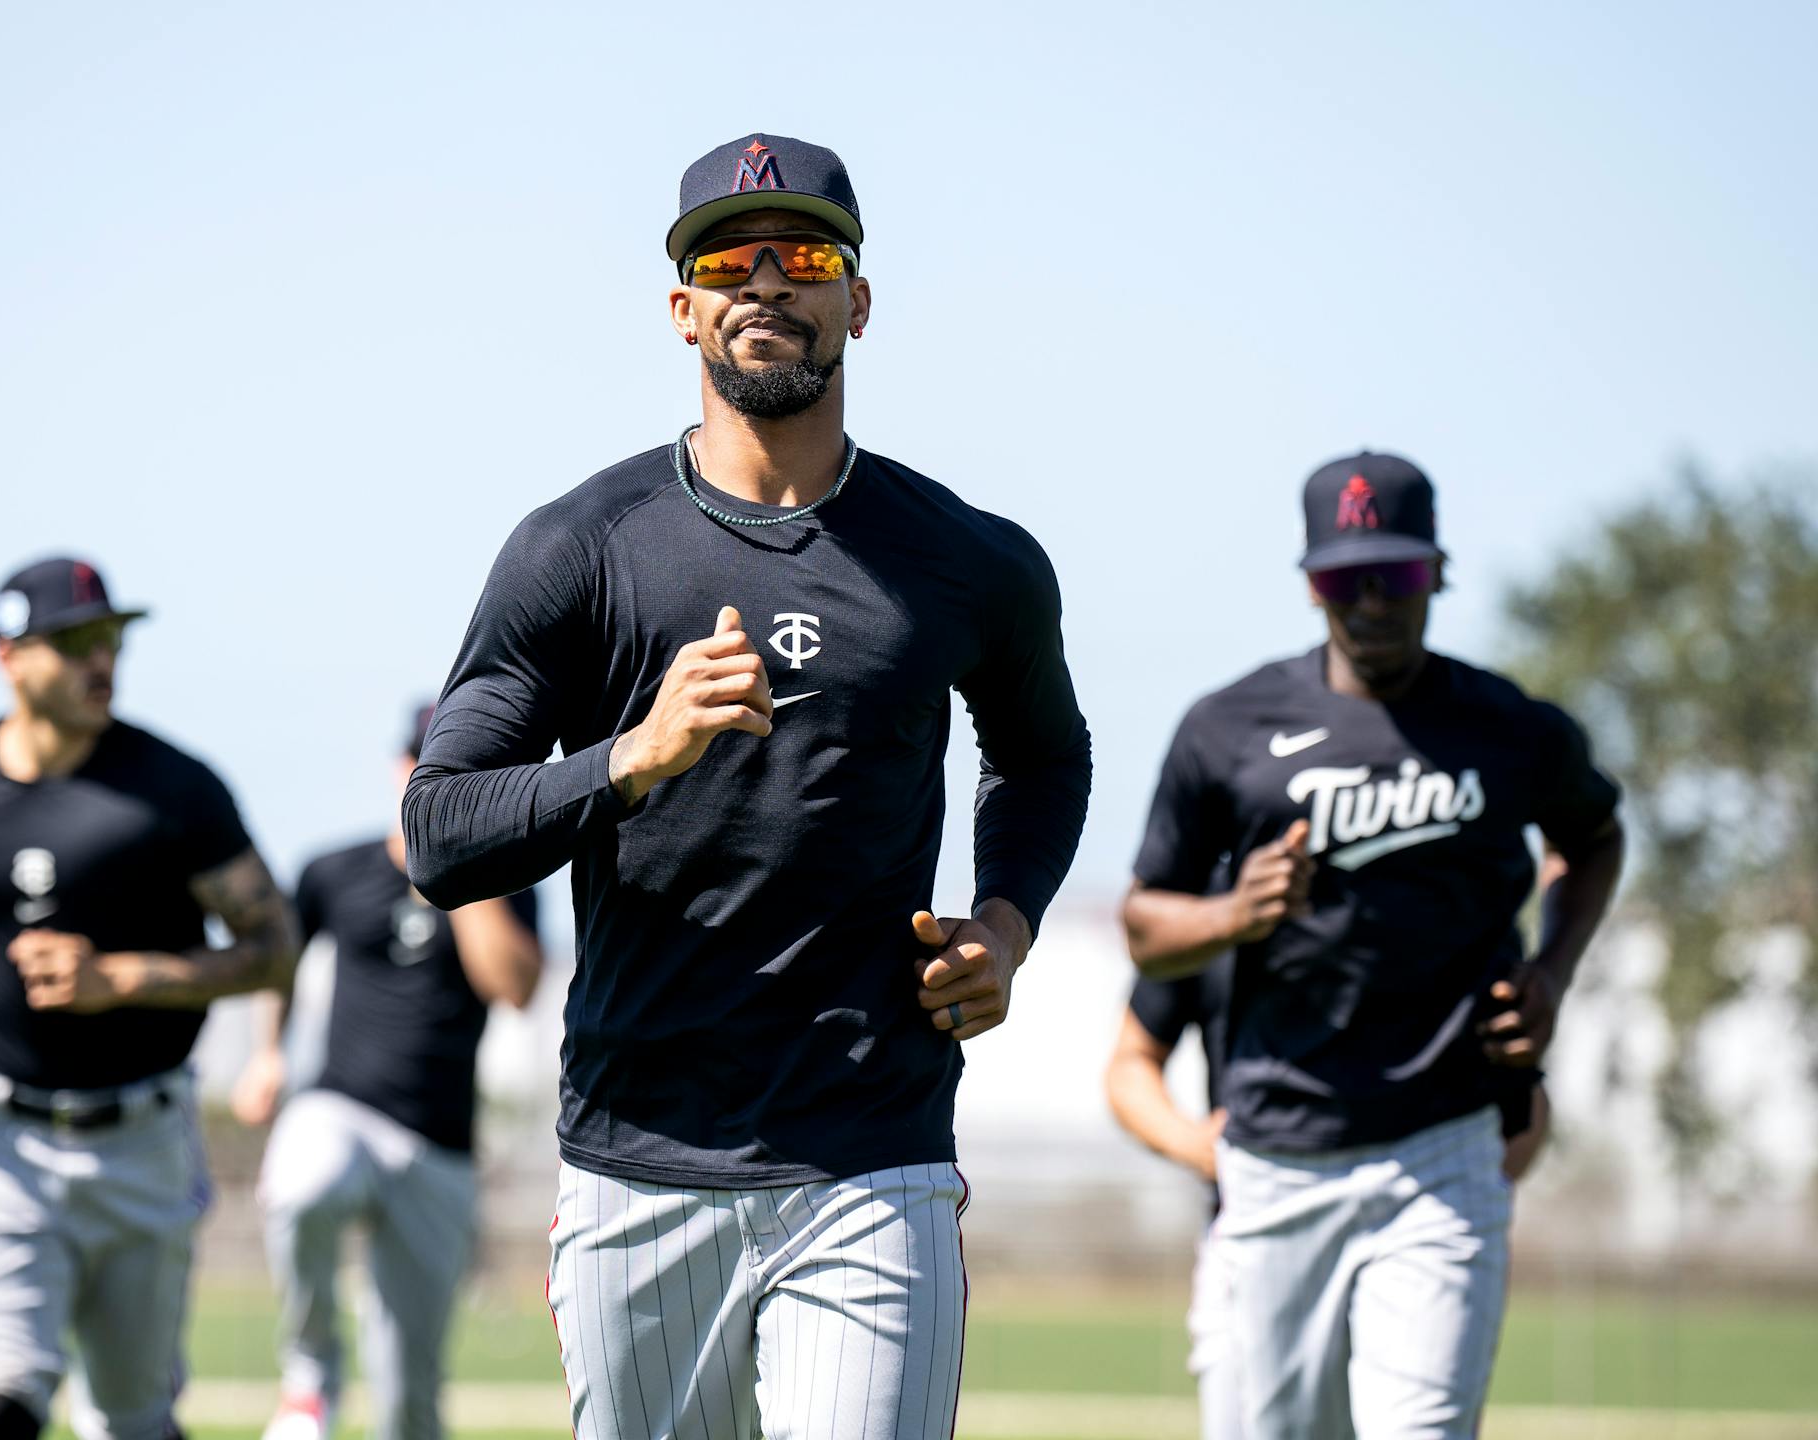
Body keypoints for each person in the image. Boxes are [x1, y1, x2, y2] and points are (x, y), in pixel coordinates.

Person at [401, 134, 1092, 1440]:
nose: (766, 283)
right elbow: (439, 833)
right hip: (634, 1169)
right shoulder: (578, 552)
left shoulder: (969, 561)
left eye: (807, 256)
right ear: (683, 310)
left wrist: (1006, 925)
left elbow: (1044, 755)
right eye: (728, 259)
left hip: (870, 1156)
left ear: (860, 302)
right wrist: (632, 760)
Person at [1121, 452, 1623, 1438]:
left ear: (1436, 573)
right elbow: (1146, 926)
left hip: (1444, 1152)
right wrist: (1236, 913)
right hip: (1275, 1157)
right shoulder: (1227, 730)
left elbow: (1595, 837)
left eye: (1395, 576)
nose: (1373, 604)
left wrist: (1554, 972)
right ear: (1311, 584)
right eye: (1345, 580)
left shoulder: (1510, 729)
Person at [0, 556, 297, 1440]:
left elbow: (273, 950)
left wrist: (126, 979)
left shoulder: (175, 791)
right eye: (71, 643)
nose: (99, 660)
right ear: (7, 658)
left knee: (131, 1420)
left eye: (110, 638)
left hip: (139, 1147)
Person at [233, 703, 546, 1440]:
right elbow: (273, 961)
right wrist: (267, 1053)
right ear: (402, 768)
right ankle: (309, 1377)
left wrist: (458, 872)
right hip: (341, 1109)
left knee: (411, 1402)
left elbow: (518, 988)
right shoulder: (333, 870)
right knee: (301, 1185)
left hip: (438, 1145)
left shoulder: (504, 884)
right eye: (428, 764)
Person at [1104, 958, 1552, 1440]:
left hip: (1421, 1223)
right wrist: (1198, 1146)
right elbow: (1131, 1063)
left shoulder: (1445, 902)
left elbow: (1525, 1102)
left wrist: (1468, 1188)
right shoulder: (1216, 906)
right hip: (1254, 1234)